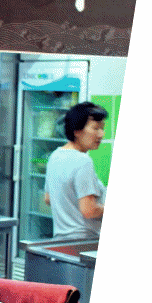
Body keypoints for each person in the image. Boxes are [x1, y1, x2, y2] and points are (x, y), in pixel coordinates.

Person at [44, 101, 108, 240]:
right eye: (96, 128)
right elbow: (89, 211)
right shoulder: (83, 161)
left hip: (60, 240)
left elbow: (48, 199)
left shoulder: (55, 156)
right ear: (77, 130)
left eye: (102, 128)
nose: (101, 134)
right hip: (83, 241)